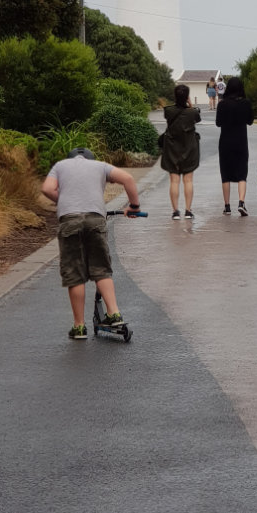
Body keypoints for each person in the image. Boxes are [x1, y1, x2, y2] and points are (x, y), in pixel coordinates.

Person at [41, 147, 142, 340]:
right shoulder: (100, 166)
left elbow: (47, 188)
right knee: (101, 269)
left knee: (75, 273)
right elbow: (128, 178)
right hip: (95, 219)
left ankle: (79, 327)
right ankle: (114, 313)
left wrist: (64, 199)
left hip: (70, 220)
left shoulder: (60, 166)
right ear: (90, 159)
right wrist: (134, 206)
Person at [160, 83, 201, 220]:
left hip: (172, 149)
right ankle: (188, 211)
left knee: (174, 181)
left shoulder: (168, 111)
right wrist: (190, 104)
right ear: (187, 96)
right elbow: (197, 118)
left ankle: (175, 212)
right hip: (189, 149)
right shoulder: (192, 112)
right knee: (188, 181)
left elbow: (169, 116)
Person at [215, 76, 253, 216]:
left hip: (225, 142)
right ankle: (241, 203)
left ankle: (227, 206)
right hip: (241, 141)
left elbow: (218, 123)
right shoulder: (246, 103)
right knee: (242, 172)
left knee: (225, 174)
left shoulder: (222, 104)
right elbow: (250, 121)